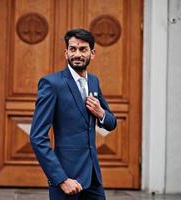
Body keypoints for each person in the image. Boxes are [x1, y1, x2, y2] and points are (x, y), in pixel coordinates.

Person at [30, 28, 117, 200]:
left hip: (93, 179)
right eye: (73, 49)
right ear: (66, 53)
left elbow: (111, 123)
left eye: (83, 49)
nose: (77, 54)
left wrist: (101, 113)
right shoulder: (52, 84)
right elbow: (37, 137)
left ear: (92, 54)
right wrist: (61, 179)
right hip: (67, 179)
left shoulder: (94, 81)